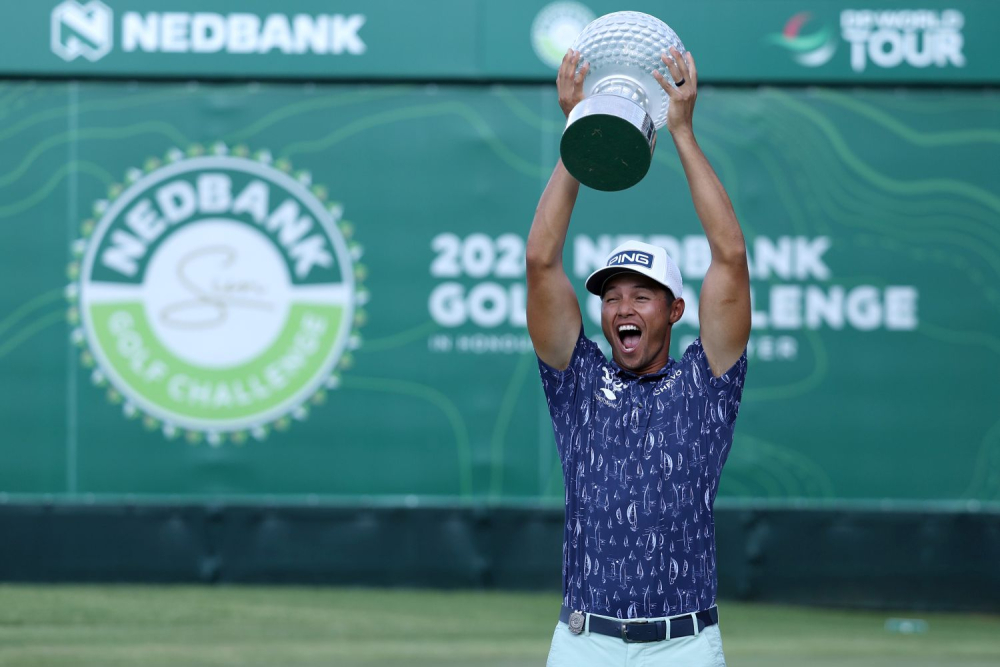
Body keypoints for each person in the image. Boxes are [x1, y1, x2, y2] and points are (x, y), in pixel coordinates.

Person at [526, 47, 751, 667]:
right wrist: (580, 132)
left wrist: (680, 130)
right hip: (583, 643)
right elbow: (541, 263)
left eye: (642, 295)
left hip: (685, 644)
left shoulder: (706, 384)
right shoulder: (578, 381)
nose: (622, 306)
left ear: (676, 310)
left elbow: (729, 258)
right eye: (612, 294)